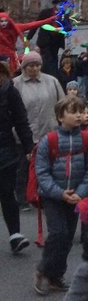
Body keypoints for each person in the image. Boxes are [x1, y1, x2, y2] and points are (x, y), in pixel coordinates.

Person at [33, 95, 88, 295]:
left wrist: (79, 193)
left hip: (76, 196)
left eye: (81, 111)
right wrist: (60, 193)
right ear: (60, 117)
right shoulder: (49, 140)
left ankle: (56, 276)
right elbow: (42, 172)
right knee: (58, 233)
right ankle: (43, 270)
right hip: (53, 196)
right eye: (74, 112)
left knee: (68, 237)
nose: (79, 115)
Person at [14, 50, 64, 206]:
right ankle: (22, 198)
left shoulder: (52, 81)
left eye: (37, 65)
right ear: (24, 67)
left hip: (49, 131)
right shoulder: (16, 84)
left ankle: (46, 197)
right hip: (24, 134)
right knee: (23, 168)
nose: (34, 69)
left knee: (48, 167)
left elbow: (62, 104)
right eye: (30, 66)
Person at [0, 60, 32, 254]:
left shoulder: (10, 92)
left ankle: (15, 236)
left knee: (6, 192)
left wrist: (29, 148)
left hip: (5, 150)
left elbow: (21, 121)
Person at [29, 0, 67, 76]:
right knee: (47, 62)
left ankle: (53, 77)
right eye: (59, 4)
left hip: (56, 43)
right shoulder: (46, 13)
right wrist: (28, 38)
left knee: (54, 62)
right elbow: (36, 24)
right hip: (45, 42)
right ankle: (47, 75)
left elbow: (68, 27)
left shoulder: (64, 15)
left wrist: (63, 29)